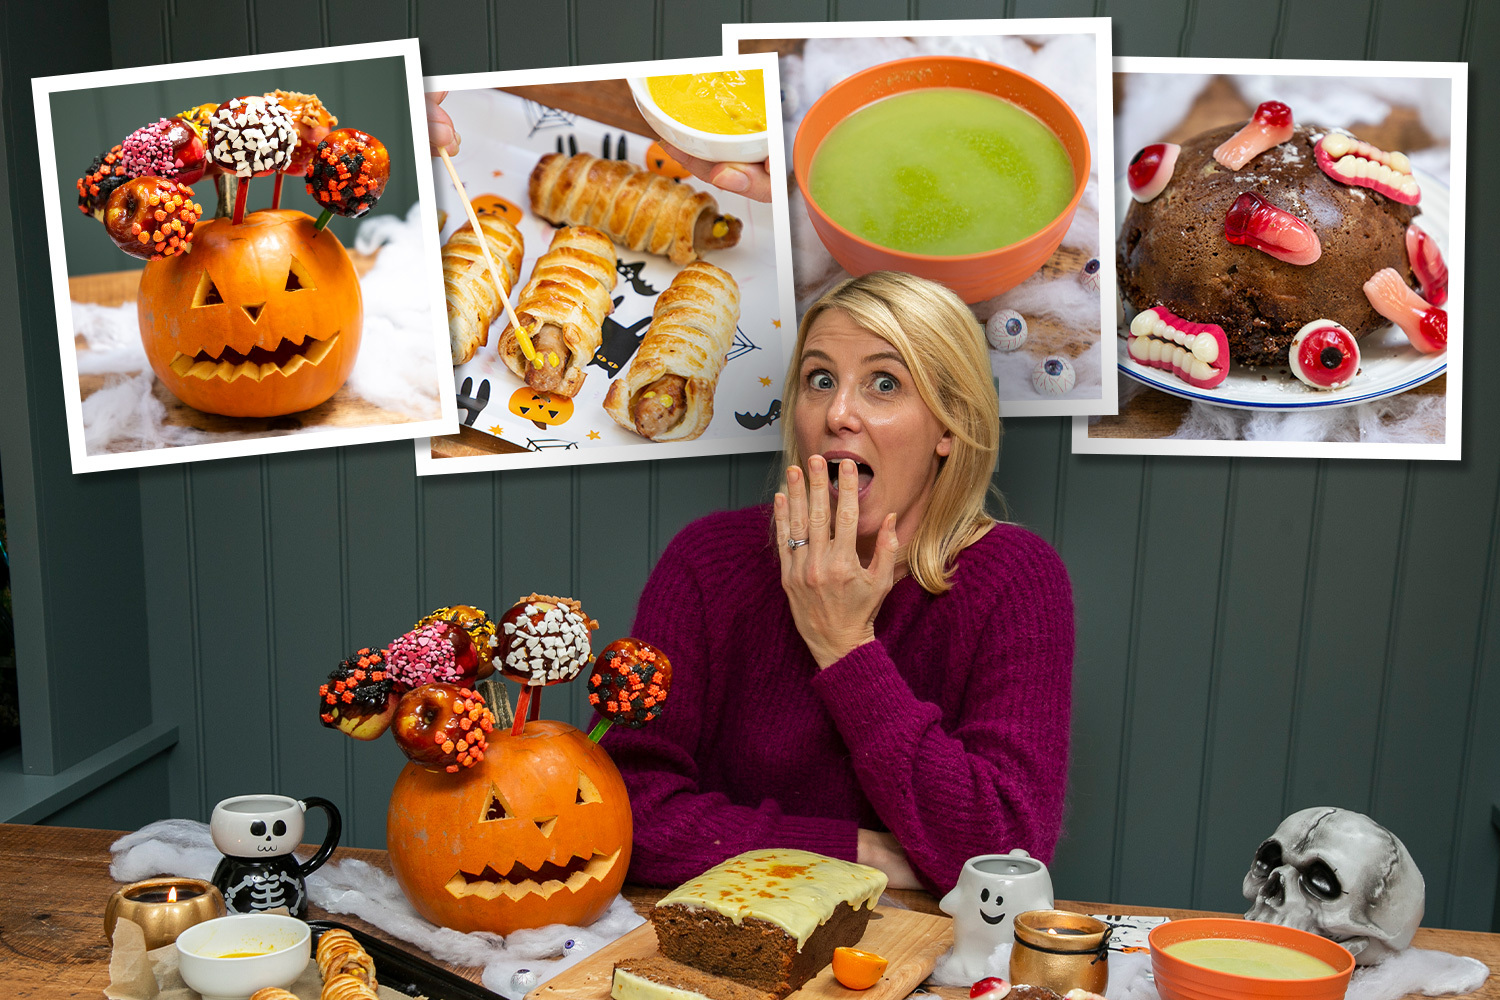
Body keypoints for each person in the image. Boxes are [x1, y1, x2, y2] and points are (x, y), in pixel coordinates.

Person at [602, 271, 1074, 895]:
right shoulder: (706, 563)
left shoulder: (1016, 579)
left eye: (884, 383)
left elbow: (1004, 854)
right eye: (819, 380)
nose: (838, 414)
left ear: (949, 426)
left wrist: (845, 645)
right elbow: (620, 814)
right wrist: (854, 853)